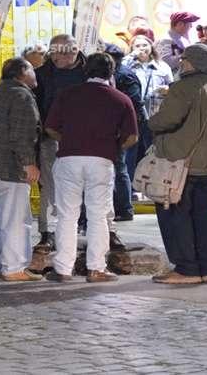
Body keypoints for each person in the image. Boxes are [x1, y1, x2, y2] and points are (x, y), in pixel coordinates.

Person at [43, 53, 138, 284]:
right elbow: (132, 137)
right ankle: (96, 269)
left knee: (67, 215)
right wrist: (113, 147)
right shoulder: (121, 99)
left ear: (86, 70)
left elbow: (51, 128)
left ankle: (63, 269)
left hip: (68, 159)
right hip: (101, 161)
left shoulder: (67, 95)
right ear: (111, 72)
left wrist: (70, 140)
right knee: (98, 215)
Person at [148, 44, 207, 285]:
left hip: (181, 163)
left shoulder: (183, 87)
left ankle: (186, 269)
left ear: (193, 62)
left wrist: (151, 121)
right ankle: (206, 268)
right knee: (203, 217)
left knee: (176, 214)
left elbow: (167, 120)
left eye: (184, 59)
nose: (180, 63)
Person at [0, 58, 44, 282]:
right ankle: (14, 267)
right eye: (32, 69)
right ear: (22, 72)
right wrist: (29, 163)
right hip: (10, 167)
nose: (35, 73)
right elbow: (22, 134)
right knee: (16, 219)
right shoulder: (21, 96)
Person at [32, 33, 87, 253]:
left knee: (87, 183)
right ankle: (48, 232)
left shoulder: (90, 71)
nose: (55, 56)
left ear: (74, 50)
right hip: (50, 137)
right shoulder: (42, 74)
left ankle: (89, 228)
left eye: (60, 51)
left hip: (85, 138)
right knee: (50, 184)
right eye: (52, 51)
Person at [103, 43, 145, 226]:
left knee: (120, 168)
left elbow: (134, 103)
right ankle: (122, 207)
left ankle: (125, 208)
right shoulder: (116, 74)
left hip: (122, 128)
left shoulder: (124, 75)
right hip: (119, 126)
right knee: (119, 168)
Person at [124, 31, 173, 181]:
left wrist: (167, 90)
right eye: (137, 45)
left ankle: (155, 182)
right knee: (130, 151)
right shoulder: (127, 65)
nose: (142, 48)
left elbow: (173, 87)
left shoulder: (162, 66)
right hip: (133, 114)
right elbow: (118, 71)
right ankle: (130, 184)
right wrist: (131, 56)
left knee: (154, 149)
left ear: (151, 46)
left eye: (145, 45)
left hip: (155, 114)